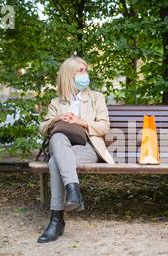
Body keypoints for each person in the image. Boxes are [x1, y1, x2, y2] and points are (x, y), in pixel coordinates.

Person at [38, 56, 114, 243]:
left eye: (85, 70)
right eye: (80, 71)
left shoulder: (96, 97)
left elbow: (104, 127)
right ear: (69, 75)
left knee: (55, 162)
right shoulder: (57, 102)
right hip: (62, 145)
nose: (85, 74)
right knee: (57, 137)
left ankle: (57, 220)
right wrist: (59, 118)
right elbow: (42, 128)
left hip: (88, 147)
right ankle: (73, 190)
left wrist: (80, 122)